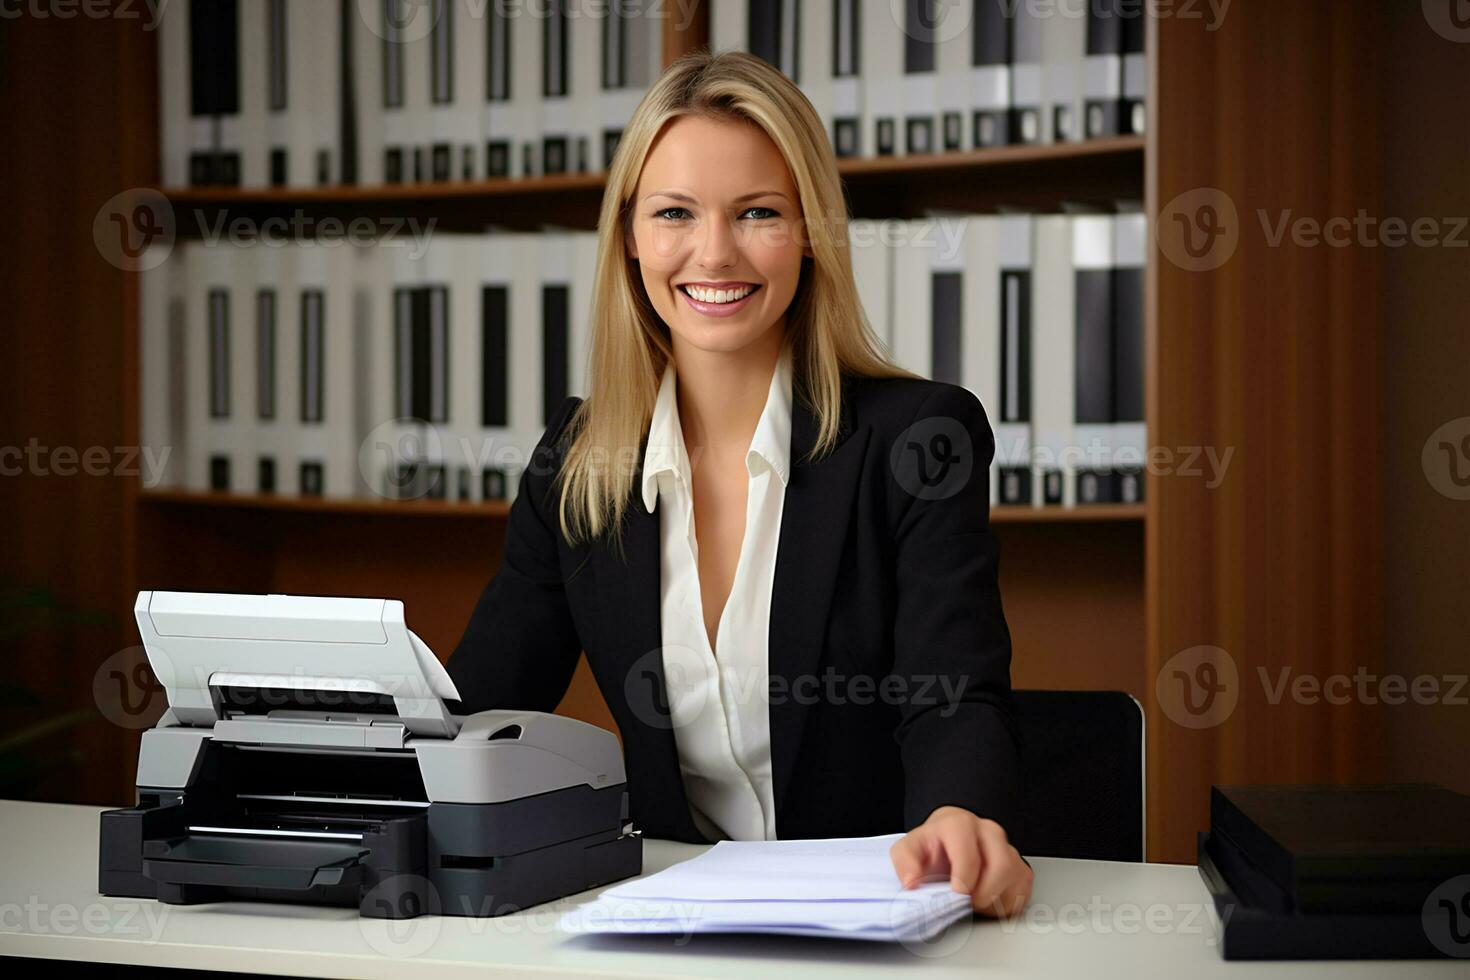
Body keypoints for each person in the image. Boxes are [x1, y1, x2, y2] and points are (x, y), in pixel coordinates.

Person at [447, 48, 1031, 919]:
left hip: (871, 918)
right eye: (675, 212)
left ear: (810, 233)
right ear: (632, 240)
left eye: (758, 211)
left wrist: (958, 814)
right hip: (665, 927)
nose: (713, 252)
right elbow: (480, 719)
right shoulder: (577, 464)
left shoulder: (918, 440)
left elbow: (951, 695)